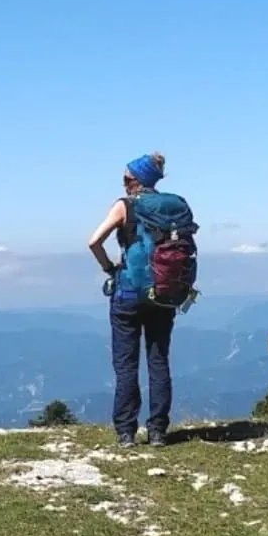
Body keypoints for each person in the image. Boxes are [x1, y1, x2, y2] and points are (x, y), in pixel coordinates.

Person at [87, 152, 182, 446]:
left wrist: (108, 267)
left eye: (126, 179)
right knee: (158, 360)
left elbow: (94, 241)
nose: (123, 183)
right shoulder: (172, 207)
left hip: (127, 293)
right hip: (163, 293)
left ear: (134, 181)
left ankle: (126, 432)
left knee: (126, 364)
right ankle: (157, 432)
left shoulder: (125, 206)